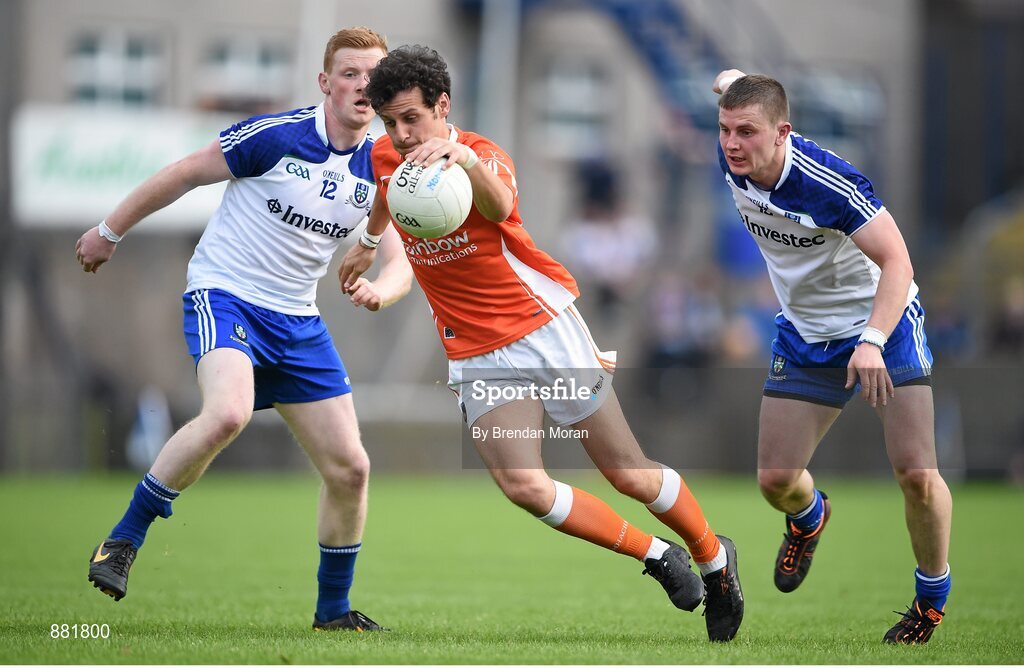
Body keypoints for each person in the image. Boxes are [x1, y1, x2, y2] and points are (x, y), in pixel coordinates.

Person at [338, 45, 744, 642]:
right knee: (524, 486)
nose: (399, 134)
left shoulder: (483, 157)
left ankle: (714, 559)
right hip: (474, 352)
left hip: (540, 331)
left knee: (628, 473)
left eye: (412, 120)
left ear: (442, 105)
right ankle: (657, 555)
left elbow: (501, 204)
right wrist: (370, 242)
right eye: (389, 121)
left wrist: (464, 161)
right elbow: (384, 192)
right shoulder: (384, 154)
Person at [76, 27, 410, 633]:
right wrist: (109, 230)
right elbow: (183, 174)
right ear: (325, 83)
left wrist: (379, 292)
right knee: (228, 413)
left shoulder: (381, 164)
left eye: (374, 77)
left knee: (351, 469)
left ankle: (332, 613)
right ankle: (123, 539)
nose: (364, 86)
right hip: (225, 294)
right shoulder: (276, 136)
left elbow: (399, 260)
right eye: (350, 74)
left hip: (298, 320)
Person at [712, 70, 953, 644]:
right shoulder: (734, 150)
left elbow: (899, 262)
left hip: (883, 324)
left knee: (916, 473)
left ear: (783, 133)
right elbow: (732, 85)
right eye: (724, 130)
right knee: (775, 479)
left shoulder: (831, 184)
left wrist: (871, 339)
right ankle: (809, 516)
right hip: (805, 333)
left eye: (747, 131)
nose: (732, 143)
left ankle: (929, 603)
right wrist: (730, 83)